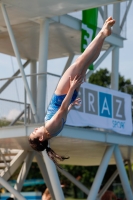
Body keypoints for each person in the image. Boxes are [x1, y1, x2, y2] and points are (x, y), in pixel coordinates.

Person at [29, 17, 115, 166]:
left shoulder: (53, 132)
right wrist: (72, 89)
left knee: (86, 63)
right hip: (63, 95)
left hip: (69, 96)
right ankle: (102, 33)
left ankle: (104, 34)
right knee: (81, 61)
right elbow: (61, 109)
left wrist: (72, 104)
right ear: (41, 138)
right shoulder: (49, 128)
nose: (35, 129)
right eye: (34, 132)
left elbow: (64, 114)